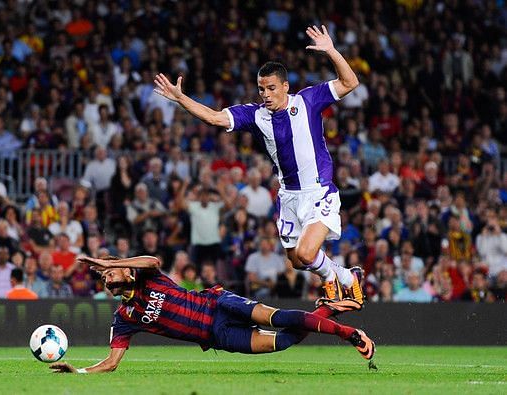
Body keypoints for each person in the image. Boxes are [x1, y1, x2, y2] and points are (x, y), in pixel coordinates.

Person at [153, 25, 363, 305]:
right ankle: (346, 276)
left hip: (318, 190)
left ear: (285, 86)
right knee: (297, 262)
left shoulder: (308, 100)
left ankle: (334, 280)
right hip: (288, 196)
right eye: (261, 88)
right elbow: (214, 118)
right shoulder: (255, 115)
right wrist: (181, 99)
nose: (265, 94)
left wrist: (331, 51)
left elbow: (350, 83)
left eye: (271, 88)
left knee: (306, 254)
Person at [49, 255, 373, 374]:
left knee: (279, 318)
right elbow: (111, 362)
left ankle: (350, 334)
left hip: (217, 303)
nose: (106, 277)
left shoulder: (147, 276)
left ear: (123, 273)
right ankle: (331, 307)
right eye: (104, 277)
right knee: (285, 342)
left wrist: (111, 262)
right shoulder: (125, 318)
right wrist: (78, 371)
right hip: (216, 336)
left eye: (108, 273)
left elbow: (151, 260)